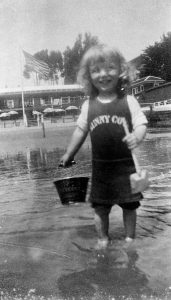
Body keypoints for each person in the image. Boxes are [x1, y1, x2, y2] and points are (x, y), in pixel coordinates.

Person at [60, 44, 148, 250]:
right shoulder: (88, 105)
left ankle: (129, 239)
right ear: (88, 76)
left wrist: (137, 136)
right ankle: (103, 239)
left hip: (126, 167)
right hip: (101, 169)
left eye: (110, 68)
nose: (104, 74)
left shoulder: (129, 101)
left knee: (130, 206)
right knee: (100, 208)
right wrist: (68, 153)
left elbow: (141, 123)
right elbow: (80, 131)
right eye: (96, 70)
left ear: (121, 71)